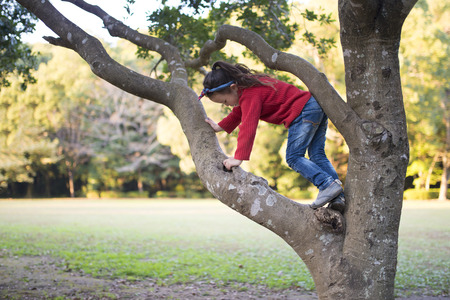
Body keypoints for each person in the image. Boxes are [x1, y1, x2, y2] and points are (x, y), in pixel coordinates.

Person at [199, 61, 345, 212]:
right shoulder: (249, 87)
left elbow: (248, 126)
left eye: (225, 101)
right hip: (314, 106)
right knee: (317, 154)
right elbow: (239, 112)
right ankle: (338, 197)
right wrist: (220, 126)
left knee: (293, 157)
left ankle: (326, 185)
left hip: (302, 112)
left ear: (233, 87)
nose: (227, 105)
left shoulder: (249, 94)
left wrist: (238, 157)